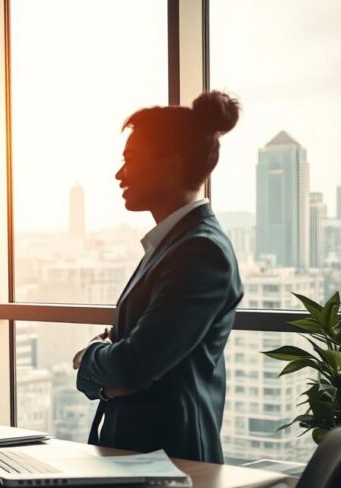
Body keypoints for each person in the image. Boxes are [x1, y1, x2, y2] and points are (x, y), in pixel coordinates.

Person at [73, 91, 244, 463]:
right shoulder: (172, 245)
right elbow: (130, 365)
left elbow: (133, 365)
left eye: (130, 160)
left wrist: (91, 356)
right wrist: (109, 378)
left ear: (171, 163)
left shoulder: (201, 252)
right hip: (141, 457)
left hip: (173, 463)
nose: (119, 174)